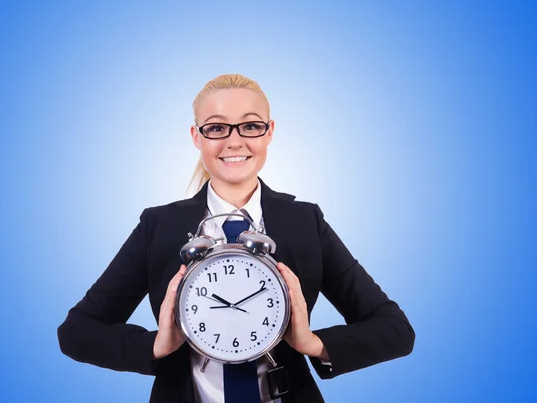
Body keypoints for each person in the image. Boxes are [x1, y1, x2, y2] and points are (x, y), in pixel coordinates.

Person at [57, 74, 415, 403]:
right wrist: (156, 345)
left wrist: (312, 342)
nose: (234, 140)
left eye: (250, 125)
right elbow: (76, 331)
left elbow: (395, 330)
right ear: (196, 136)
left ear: (269, 132)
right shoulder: (159, 226)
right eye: (216, 128)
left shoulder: (305, 221)